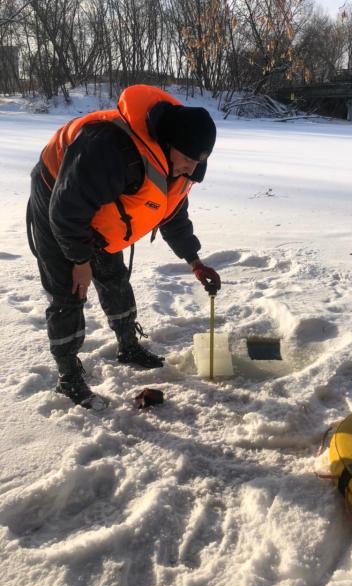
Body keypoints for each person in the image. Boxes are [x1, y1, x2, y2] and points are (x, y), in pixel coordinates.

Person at [27, 84, 221, 410]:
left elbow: (172, 214)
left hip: (99, 208)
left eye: (198, 161)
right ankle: (68, 375)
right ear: (168, 143)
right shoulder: (109, 148)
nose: (192, 168)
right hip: (58, 201)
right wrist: (79, 260)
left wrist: (194, 260)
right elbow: (66, 212)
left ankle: (128, 344)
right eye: (188, 159)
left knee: (114, 276)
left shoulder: (180, 164)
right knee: (69, 291)